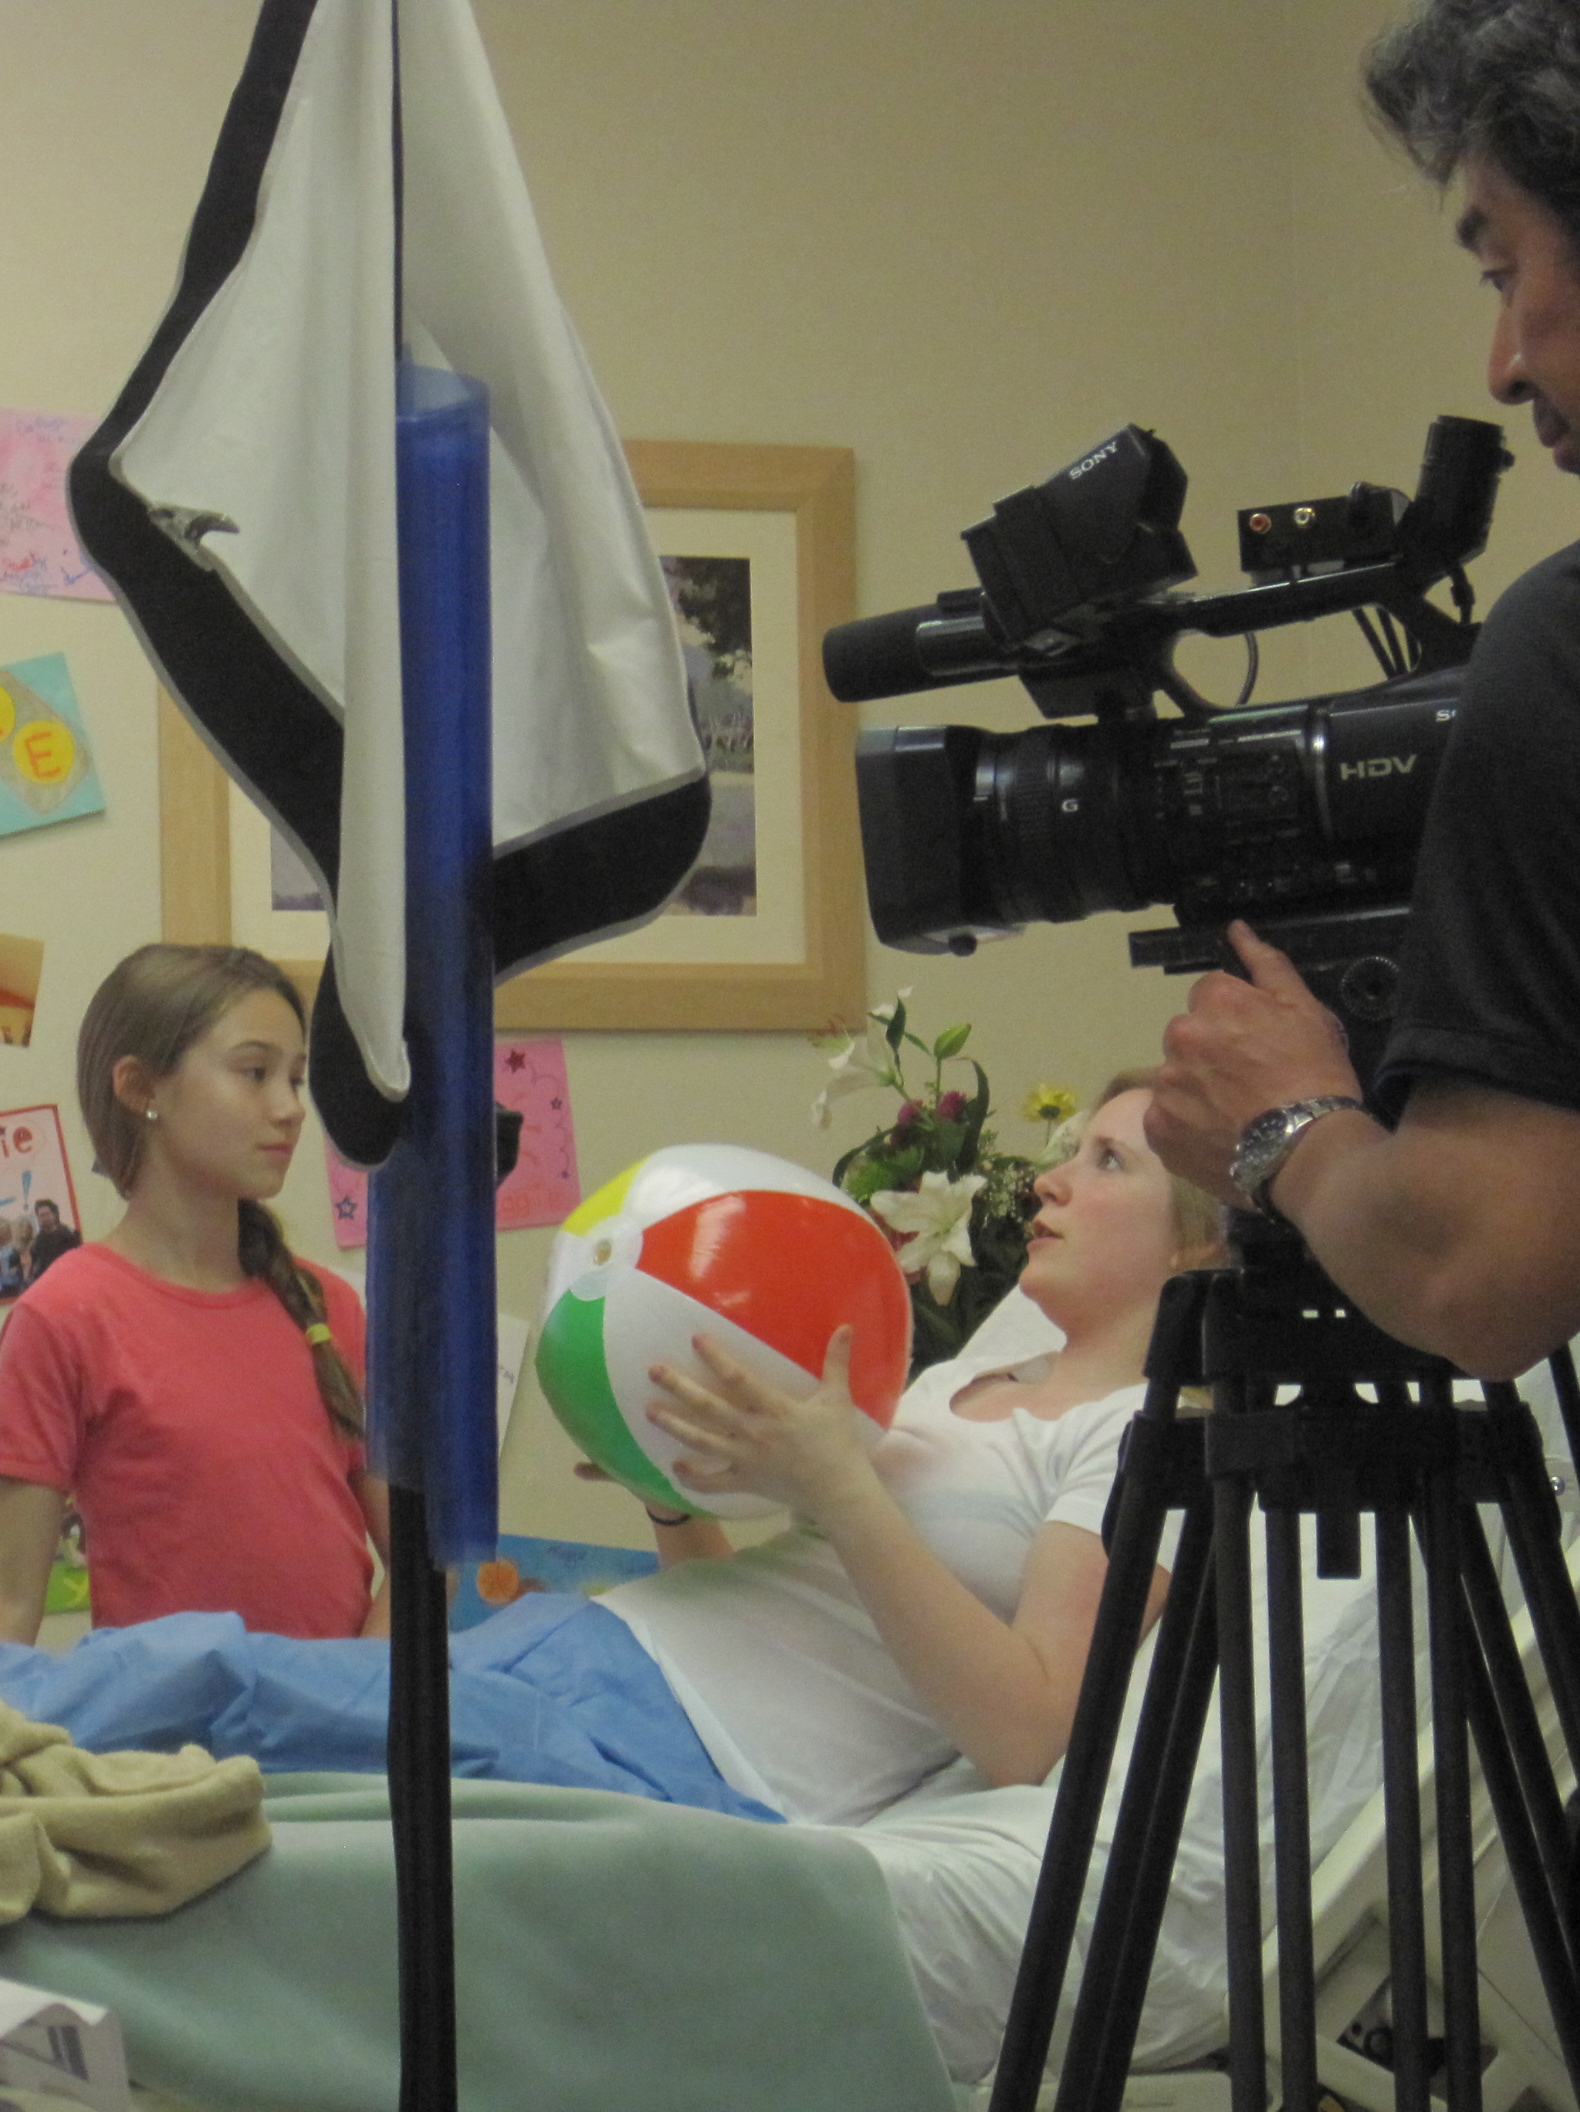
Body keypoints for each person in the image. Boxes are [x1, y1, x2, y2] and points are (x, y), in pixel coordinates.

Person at [1147, 0, 1580, 1382]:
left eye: (1507, 270)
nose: (1503, 367)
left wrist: (1286, 1129)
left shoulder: (1564, 646)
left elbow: (1478, 1270)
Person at [592, 1074, 1218, 1822]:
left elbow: (1029, 1736)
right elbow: (792, 1615)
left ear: (1197, 1244)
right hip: (602, 1652)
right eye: (1074, 1152)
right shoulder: (952, 1383)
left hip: (682, 1757)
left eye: (1108, 1160)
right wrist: (669, 1503)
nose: (1049, 1182)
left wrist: (841, 1488)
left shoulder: (1141, 1436)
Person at [0, 943, 393, 1645]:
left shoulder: (330, 1307)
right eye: (254, 1073)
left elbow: (424, 1565)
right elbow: (5, 1593)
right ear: (140, 1089)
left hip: (341, 1737)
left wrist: (357, 1695)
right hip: (168, 1747)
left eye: (297, 1078)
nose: (290, 1109)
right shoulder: (66, 1316)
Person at [22, 1197, 81, 1283]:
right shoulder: (38, 1242)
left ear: (54, 1214)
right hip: (50, 1281)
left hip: (70, 1277)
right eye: (41, 1216)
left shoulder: (69, 1235)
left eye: (47, 1214)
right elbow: (33, 1264)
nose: (45, 1218)